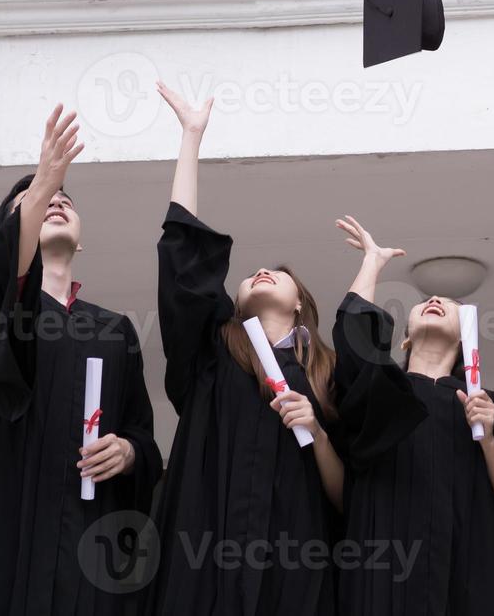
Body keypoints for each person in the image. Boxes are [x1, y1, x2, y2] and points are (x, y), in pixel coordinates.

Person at [0, 104, 163, 615]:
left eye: (64, 199)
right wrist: (42, 181)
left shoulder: (114, 330)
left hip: (88, 535)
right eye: (39, 201)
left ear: (81, 243)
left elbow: (142, 433)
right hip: (8, 520)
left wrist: (128, 452)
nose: (56, 200)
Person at [147, 82, 344, 616]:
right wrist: (191, 139)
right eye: (252, 274)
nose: (262, 271)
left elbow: (348, 493)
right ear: (233, 303)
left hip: (295, 560)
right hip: (204, 554)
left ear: (301, 302)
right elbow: (184, 261)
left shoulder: (331, 373)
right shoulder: (212, 352)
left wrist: (318, 429)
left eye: (279, 274)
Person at [331, 214, 494, 616]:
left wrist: (490, 440)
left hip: (466, 561)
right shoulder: (383, 391)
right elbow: (354, 339)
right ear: (405, 336)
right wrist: (372, 262)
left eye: (449, 305)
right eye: (425, 302)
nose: (433, 301)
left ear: (468, 339)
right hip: (385, 561)